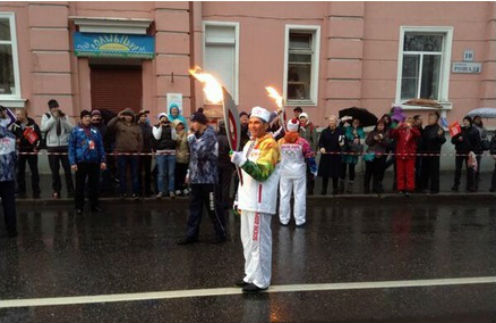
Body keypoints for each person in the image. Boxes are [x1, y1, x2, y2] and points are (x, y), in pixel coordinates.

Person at [230, 106, 281, 292]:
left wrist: (241, 161)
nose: (252, 125)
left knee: (260, 243)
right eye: (250, 122)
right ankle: (250, 275)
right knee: (248, 242)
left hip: (260, 202)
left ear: (266, 125)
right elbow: (243, 175)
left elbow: (262, 174)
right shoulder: (249, 144)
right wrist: (237, 198)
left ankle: (261, 280)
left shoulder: (271, 145)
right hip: (246, 200)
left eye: (257, 122)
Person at [178, 108, 226, 245]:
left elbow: (200, 153)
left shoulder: (210, 135)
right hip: (196, 179)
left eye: (193, 122)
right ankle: (191, 235)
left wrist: (191, 139)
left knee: (213, 207)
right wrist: (189, 173)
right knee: (194, 208)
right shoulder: (197, 136)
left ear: (200, 123)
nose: (191, 125)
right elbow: (193, 157)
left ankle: (221, 233)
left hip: (208, 179)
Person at [278, 118, 316, 227]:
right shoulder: (302, 142)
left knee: (284, 195)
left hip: (285, 171)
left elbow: (276, 156)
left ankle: (284, 219)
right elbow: (309, 156)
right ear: (297, 128)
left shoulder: (281, 141)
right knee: (299, 195)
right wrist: (314, 170)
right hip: (298, 171)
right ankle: (299, 220)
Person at [68, 110, 106, 214]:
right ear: (81, 119)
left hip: (94, 161)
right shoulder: (75, 131)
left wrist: (103, 160)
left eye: (89, 117)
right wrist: (72, 162)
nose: (88, 119)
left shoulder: (95, 130)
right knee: (80, 185)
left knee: (94, 185)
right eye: (85, 117)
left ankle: (94, 205)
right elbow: (71, 147)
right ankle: (79, 207)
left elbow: (100, 146)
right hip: (81, 161)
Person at [40, 99, 74, 199]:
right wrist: (53, 118)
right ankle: (56, 190)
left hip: (64, 146)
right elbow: (43, 128)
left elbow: (71, 129)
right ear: (50, 109)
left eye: (56, 107)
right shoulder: (46, 116)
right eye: (53, 108)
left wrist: (63, 119)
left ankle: (71, 189)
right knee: (55, 170)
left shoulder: (64, 116)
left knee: (67, 169)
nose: (55, 109)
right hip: (52, 147)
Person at [107, 108, 142, 199]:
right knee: (121, 174)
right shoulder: (118, 124)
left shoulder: (137, 126)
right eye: (126, 115)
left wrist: (139, 151)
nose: (128, 117)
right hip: (121, 153)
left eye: (130, 115)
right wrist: (117, 117)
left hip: (133, 154)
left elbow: (140, 140)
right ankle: (122, 193)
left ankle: (135, 193)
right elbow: (109, 126)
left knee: (134, 174)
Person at [10, 109, 41, 198]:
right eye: (16, 115)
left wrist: (37, 148)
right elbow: (12, 137)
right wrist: (16, 141)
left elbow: (39, 138)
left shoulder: (33, 125)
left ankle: (36, 190)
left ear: (24, 115)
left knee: (34, 171)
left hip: (31, 151)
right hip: (20, 151)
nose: (17, 116)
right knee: (20, 171)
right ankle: (21, 190)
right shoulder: (15, 125)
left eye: (19, 114)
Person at [390, 117, 420, 196]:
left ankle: (409, 188)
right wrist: (397, 127)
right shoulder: (400, 130)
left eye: (410, 122)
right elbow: (393, 135)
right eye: (407, 121)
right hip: (400, 154)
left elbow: (418, 134)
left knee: (409, 173)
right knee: (400, 173)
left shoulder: (413, 130)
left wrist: (411, 128)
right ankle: (401, 188)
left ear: (412, 123)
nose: (408, 123)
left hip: (410, 155)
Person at [419, 112, 446, 194]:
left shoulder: (439, 129)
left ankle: (434, 189)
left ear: (436, 119)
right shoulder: (427, 128)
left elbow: (442, 140)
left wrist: (438, 136)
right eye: (429, 117)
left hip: (434, 154)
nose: (429, 119)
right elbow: (423, 139)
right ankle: (424, 187)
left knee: (434, 172)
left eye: (431, 118)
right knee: (424, 171)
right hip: (425, 153)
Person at [451, 116, 480, 192]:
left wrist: (473, 151)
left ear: (470, 122)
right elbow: (453, 141)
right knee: (458, 170)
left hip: (469, 153)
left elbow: (477, 143)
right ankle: (456, 185)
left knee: (470, 170)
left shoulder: (475, 131)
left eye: (467, 121)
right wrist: (458, 139)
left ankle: (470, 186)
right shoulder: (459, 129)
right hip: (459, 152)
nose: (465, 122)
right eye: (464, 121)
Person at [318, 115, 344, 195]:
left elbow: (342, 141)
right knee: (325, 174)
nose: (331, 123)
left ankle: (335, 189)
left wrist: (342, 144)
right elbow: (320, 142)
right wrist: (321, 147)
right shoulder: (324, 131)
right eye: (330, 122)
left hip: (336, 156)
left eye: (333, 122)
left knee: (335, 174)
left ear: (336, 122)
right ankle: (324, 189)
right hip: (326, 155)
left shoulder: (340, 131)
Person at [152, 112, 177, 199]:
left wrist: (172, 127)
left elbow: (174, 138)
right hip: (161, 153)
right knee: (161, 173)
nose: (164, 120)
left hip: (171, 152)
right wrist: (161, 126)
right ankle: (161, 191)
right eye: (162, 119)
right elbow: (157, 137)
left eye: (165, 118)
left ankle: (171, 191)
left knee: (171, 173)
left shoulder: (171, 127)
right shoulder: (155, 127)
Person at [363, 119, 390, 194]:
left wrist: (380, 140)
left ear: (384, 126)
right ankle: (366, 187)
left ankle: (375, 187)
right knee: (368, 172)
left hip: (380, 155)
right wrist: (374, 139)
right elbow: (367, 142)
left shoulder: (386, 134)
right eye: (379, 125)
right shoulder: (372, 133)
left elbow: (387, 144)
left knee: (377, 173)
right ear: (377, 126)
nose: (380, 126)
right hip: (370, 155)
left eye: (382, 125)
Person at [0, 124, 17, 238]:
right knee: (9, 204)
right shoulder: (11, 136)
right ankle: (11, 230)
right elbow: (16, 157)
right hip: (8, 176)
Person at [340, 118, 364, 193]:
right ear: (352, 122)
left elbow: (362, 141)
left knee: (351, 168)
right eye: (354, 122)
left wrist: (357, 136)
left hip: (354, 151)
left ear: (359, 123)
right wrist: (343, 121)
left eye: (357, 122)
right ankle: (342, 183)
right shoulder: (348, 128)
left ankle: (351, 183)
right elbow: (341, 129)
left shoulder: (361, 130)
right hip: (346, 150)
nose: (355, 123)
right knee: (343, 167)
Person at [216, 120, 234, 211]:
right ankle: (225, 203)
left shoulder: (215, 137)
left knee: (218, 183)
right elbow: (231, 152)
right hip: (227, 164)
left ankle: (218, 202)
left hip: (217, 163)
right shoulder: (229, 139)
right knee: (226, 184)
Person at [298, 112, 318, 195]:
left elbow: (315, 140)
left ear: (307, 118)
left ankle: (310, 189)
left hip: (309, 153)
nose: (302, 119)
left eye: (303, 118)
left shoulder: (311, 127)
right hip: (300, 153)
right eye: (301, 118)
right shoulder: (298, 127)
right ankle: (301, 189)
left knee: (310, 172)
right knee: (300, 172)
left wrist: (313, 151)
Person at [137, 109, 153, 197]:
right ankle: (139, 190)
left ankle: (148, 190)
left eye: (145, 116)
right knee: (139, 172)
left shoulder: (150, 127)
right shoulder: (136, 127)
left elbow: (151, 139)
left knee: (148, 172)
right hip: (139, 152)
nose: (143, 118)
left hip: (148, 151)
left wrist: (152, 149)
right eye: (142, 116)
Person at [173, 119, 190, 196]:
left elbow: (188, 144)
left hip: (185, 156)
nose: (180, 126)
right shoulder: (173, 134)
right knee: (177, 174)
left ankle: (185, 188)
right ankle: (177, 188)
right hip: (176, 157)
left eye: (181, 124)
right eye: (178, 125)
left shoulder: (186, 134)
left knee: (184, 173)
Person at [472, 115, 489, 191]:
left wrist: (485, 130)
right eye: (477, 119)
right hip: (473, 147)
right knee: (473, 162)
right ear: (474, 119)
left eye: (479, 119)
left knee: (478, 162)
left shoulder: (482, 127)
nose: (478, 120)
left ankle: (477, 176)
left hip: (480, 147)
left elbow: (484, 136)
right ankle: (472, 176)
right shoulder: (472, 126)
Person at [412, 115, 424, 192]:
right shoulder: (413, 129)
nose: (421, 121)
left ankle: (419, 186)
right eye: (419, 119)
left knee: (419, 169)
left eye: (421, 119)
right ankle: (413, 186)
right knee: (413, 169)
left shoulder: (421, 129)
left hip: (420, 152)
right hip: (413, 152)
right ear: (415, 121)